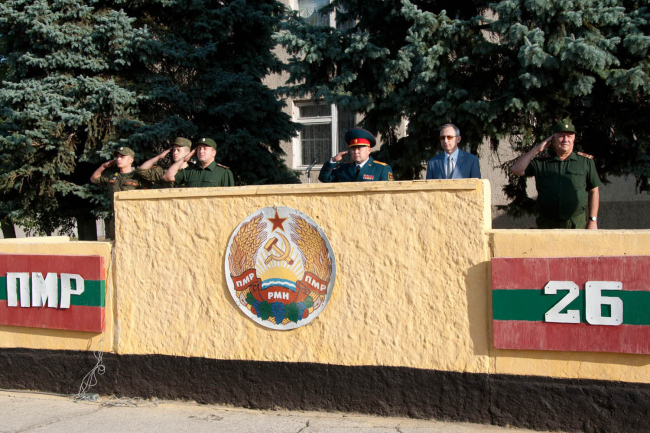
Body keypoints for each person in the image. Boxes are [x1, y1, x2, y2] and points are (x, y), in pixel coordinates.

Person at [510, 119, 601, 229]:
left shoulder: (585, 162)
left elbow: (594, 191)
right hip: (547, 223)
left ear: (574, 139)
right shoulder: (541, 162)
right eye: (561, 136)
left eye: (569, 136)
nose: (565, 140)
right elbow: (516, 170)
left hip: (576, 223)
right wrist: (537, 149)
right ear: (552, 140)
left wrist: (592, 220)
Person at [90, 146, 151, 238]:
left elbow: (145, 195)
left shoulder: (138, 176)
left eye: (122, 157)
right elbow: (94, 179)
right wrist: (103, 166)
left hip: (134, 218)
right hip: (116, 218)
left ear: (131, 160)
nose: (118, 159)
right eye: (117, 157)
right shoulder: (113, 176)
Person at [318, 128, 393, 183]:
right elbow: (324, 178)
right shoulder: (344, 169)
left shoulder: (381, 169)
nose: (356, 152)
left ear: (369, 150)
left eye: (359, 148)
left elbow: (388, 193)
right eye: (353, 149)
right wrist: (333, 160)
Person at [163, 137, 234, 187]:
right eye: (199, 149)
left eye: (205, 148)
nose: (201, 151)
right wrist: (182, 160)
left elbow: (230, 197)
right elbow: (167, 177)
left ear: (214, 153)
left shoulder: (223, 172)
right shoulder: (190, 171)